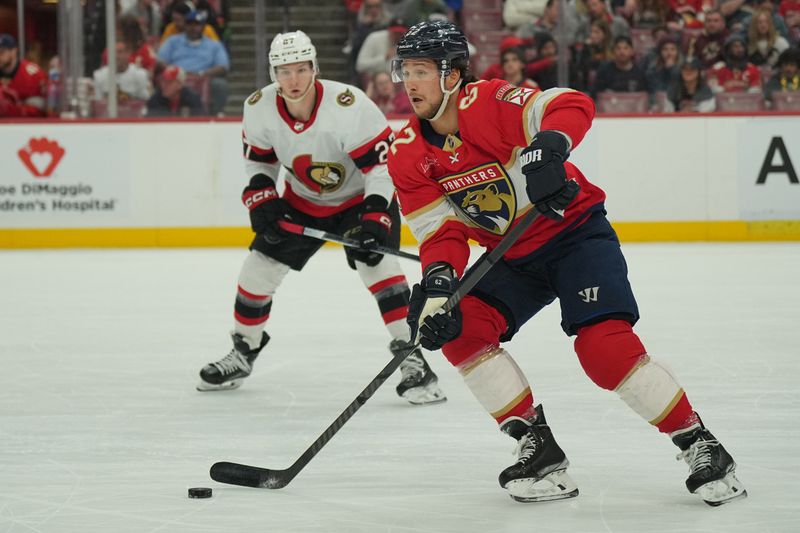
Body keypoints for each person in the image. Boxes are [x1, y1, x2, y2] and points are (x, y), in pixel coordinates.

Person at [387, 19, 747, 505]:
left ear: (452, 74)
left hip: (574, 235)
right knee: (462, 328)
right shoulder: (407, 153)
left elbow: (571, 104)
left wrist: (550, 146)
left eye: (422, 71)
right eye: (404, 70)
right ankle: (538, 449)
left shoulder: (489, 102)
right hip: (510, 255)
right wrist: (437, 280)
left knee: (604, 351)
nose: (409, 83)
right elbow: (440, 231)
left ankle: (699, 442)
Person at [196, 30, 446, 406]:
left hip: (361, 201)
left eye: (300, 69)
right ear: (273, 73)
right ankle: (243, 353)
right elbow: (258, 160)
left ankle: (414, 361)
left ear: (314, 68)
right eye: (283, 71)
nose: (293, 80)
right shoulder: (258, 106)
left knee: (382, 272)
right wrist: (262, 198)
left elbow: (380, 169)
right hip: (301, 202)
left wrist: (376, 217)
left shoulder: (349, 106)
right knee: (256, 271)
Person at [157, 9, 230, 114]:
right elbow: (160, 61)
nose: (193, 28)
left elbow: (223, 66)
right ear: (185, 26)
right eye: (189, 24)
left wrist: (202, 74)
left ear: (203, 27)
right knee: (162, 82)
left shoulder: (214, 45)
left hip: (203, 77)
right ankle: (161, 113)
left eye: (196, 25)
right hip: (176, 77)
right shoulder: (173, 41)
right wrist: (174, 72)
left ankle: (216, 114)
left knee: (220, 84)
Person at [0, 33, 46, 118]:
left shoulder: (34, 74)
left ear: (14, 51)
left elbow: (41, 111)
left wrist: (11, 109)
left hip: (26, 128)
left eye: (1, 52)